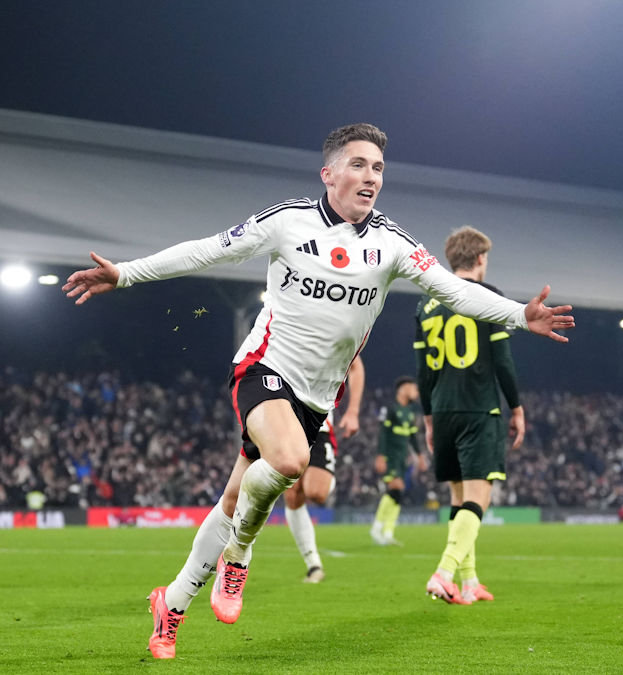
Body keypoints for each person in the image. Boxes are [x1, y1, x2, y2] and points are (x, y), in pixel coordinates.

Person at [63, 123, 575, 659]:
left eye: (377, 167)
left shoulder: (392, 245)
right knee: (289, 461)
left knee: (237, 498)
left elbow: (455, 292)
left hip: (315, 397)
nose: (370, 176)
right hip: (264, 368)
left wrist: (519, 314)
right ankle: (240, 553)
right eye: (358, 164)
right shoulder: (287, 222)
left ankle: (171, 602)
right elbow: (206, 252)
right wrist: (124, 275)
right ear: (328, 173)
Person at [417, 226, 523, 605]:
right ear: (480, 259)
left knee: (459, 500)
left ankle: (469, 582)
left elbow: (423, 370)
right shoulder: (489, 297)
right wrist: (517, 408)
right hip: (480, 408)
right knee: (479, 498)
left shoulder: (427, 303)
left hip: (443, 412)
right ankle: (443, 573)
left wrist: (429, 418)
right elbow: (503, 360)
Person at [283, 355, 364, 583]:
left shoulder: (330, 328)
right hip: (288, 423)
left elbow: (356, 365)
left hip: (319, 425)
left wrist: (353, 411)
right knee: (291, 492)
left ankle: (329, 479)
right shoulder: (284, 330)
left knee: (317, 493)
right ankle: (313, 564)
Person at [369, 376, 425, 546]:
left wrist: (420, 455)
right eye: (414, 388)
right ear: (404, 388)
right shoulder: (390, 408)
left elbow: (413, 437)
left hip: (402, 458)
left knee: (398, 494)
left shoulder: (410, 412)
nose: (416, 392)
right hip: (391, 456)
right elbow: (383, 433)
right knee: (397, 488)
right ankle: (377, 528)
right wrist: (381, 456)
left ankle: (387, 532)